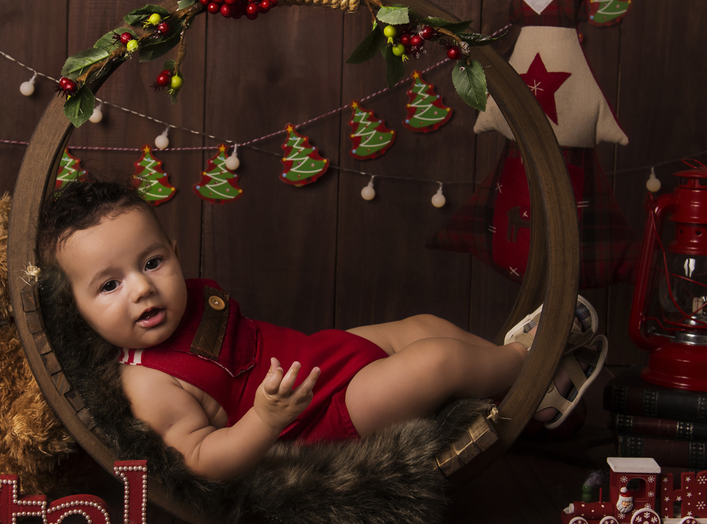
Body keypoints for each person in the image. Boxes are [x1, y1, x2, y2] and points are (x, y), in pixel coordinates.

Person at [38, 180, 606, 482]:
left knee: (423, 327)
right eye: (108, 286)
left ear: (175, 253)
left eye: (152, 262)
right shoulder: (147, 384)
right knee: (435, 362)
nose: (141, 289)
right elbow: (201, 458)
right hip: (315, 419)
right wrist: (265, 419)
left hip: (319, 354)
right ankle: (530, 362)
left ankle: (535, 400)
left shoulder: (186, 299)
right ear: (79, 311)